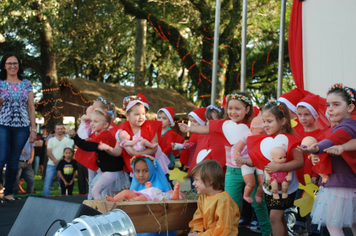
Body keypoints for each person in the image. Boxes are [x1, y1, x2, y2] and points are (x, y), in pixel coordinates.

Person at [179, 92, 272, 236]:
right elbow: (206, 129)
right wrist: (189, 129)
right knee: (230, 205)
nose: (233, 112)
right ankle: (229, 233)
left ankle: (268, 232)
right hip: (232, 172)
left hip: (251, 171)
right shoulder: (224, 125)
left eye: (237, 109)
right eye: (230, 108)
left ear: (247, 109)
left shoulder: (253, 125)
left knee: (258, 204)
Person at [297, 83, 356, 236]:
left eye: (336, 104)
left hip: (342, 185)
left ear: (350, 107)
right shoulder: (337, 127)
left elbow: (332, 141)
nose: (330, 109)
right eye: (328, 104)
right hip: (345, 184)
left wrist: (315, 148)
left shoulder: (347, 126)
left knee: (333, 225)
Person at [247, 100, 304, 236]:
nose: (265, 125)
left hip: (286, 186)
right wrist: (245, 161)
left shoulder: (292, 139)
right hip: (270, 186)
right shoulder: (265, 139)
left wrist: (280, 167)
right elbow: (259, 160)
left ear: (283, 121)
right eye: (264, 121)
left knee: (274, 217)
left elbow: (299, 162)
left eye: (269, 121)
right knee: (278, 217)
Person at [68, 108, 129, 200]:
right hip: (114, 171)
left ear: (105, 125)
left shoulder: (104, 137)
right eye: (91, 121)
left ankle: (101, 211)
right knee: (113, 196)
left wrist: (74, 136)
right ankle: (112, 211)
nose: (92, 124)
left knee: (95, 191)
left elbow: (87, 146)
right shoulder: (103, 135)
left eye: (95, 121)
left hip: (112, 171)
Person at [0, 52, 37, 203]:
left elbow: (31, 108)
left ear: (19, 65)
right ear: (4, 65)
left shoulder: (26, 83)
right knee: (1, 158)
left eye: (15, 63)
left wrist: (33, 128)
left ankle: (9, 193)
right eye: (9, 63)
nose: (12, 66)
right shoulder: (0, 82)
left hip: (22, 126)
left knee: (14, 160)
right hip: (3, 124)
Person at [100, 95, 166, 174]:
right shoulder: (122, 131)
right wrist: (108, 148)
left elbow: (154, 149)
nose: (141, 117)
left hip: (154, 163)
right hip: (136, 166)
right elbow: (118, 151)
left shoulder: (150, 127)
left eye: (143, 114)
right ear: (127, 115)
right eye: (137, 114)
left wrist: (137, 154)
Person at [124, 154, 174, 236]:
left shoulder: (158, 187)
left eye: (145, 171)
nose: (141, 175)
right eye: (137, 171)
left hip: (154, 224)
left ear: (152, 170)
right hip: (137, 222)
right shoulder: (135, 185)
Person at [188, 159, 240, 236]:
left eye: (196, 180)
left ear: (210, 181)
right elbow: (198, 218)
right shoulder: (203, 197)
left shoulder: (223, 200)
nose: (193, 183)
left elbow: (223, 228)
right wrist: (196, 231)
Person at [233, 115, 265, 204]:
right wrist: (237, 155)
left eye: (265, 132)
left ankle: (258, 194)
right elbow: (238, 147)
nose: (263, 134)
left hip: (260, 161)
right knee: (251, 183)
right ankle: (246, 195)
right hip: (246, 161)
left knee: (263, 182)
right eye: (261, 132)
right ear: (252, 130)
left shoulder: (265, 137)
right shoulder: (247, 136)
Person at [42, 123, 74, 196]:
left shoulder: (68, 140)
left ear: (63, 129)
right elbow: (49, 152)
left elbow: (68, 152)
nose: (60, 130)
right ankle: (46, 198)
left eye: (61, 129)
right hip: (51, 164)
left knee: (64, 183)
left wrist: (59, 161)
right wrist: (54, 160)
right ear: (55, 130)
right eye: (58, 129)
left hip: (63, 165)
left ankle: (63, 198)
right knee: (47, 183)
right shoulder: (51, 140)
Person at [106, 180, 184, 202]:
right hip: (144, 193)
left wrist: (176, 191)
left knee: (138, 199)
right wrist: (148, 188)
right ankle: (114, 199)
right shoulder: (163, 193)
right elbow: (152, 191)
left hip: (147, 198)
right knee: (125, 192)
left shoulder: (172, 197)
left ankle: (128, 202)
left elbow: (175, 199)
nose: (171, 191)